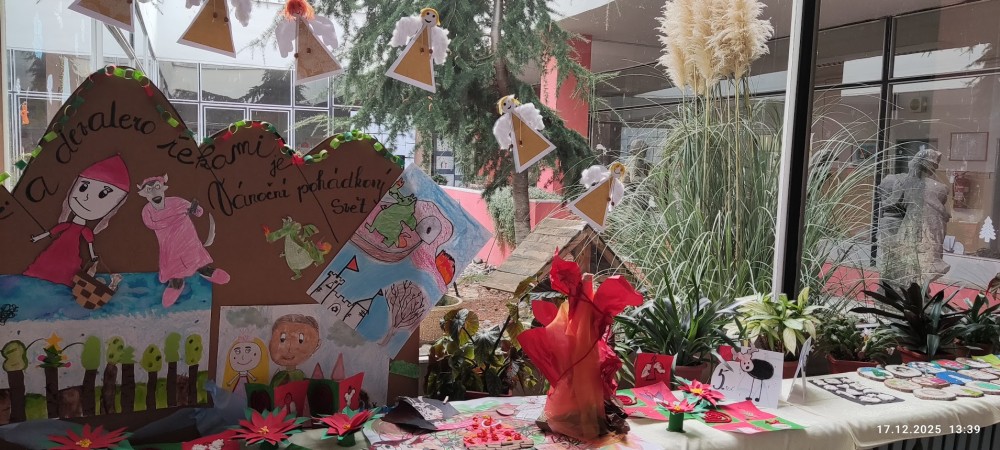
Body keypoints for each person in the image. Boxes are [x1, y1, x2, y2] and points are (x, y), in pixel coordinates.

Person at [24, 155, 130, 286]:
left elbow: (89, 244)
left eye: (102, 194)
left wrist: (93, 256)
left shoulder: (84, 230)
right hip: (57, 248)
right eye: (83, 187)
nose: (86, 198)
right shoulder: (66, 225)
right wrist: (36, 238)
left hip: (71, 252)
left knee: (68, 269)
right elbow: (50, 232)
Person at [138, 174, 229, 307]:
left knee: (198, 261)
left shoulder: (176, 201)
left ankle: (209, 272)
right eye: (149, 190)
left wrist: (194, 208)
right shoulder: (147, 210)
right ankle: (175, 286)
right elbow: (151, 224)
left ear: (163, 188)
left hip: (188, 240)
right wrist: (175, 218)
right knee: (175, 270)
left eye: (157, 187)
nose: (154, 193)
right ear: (144, 194)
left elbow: (199, 212)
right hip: (170, 246)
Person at [268, 314, 321, 387]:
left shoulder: (299, 376)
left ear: (317, 345)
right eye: (282, 339)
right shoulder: (278, 376)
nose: (289, 348)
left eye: (300, 340)